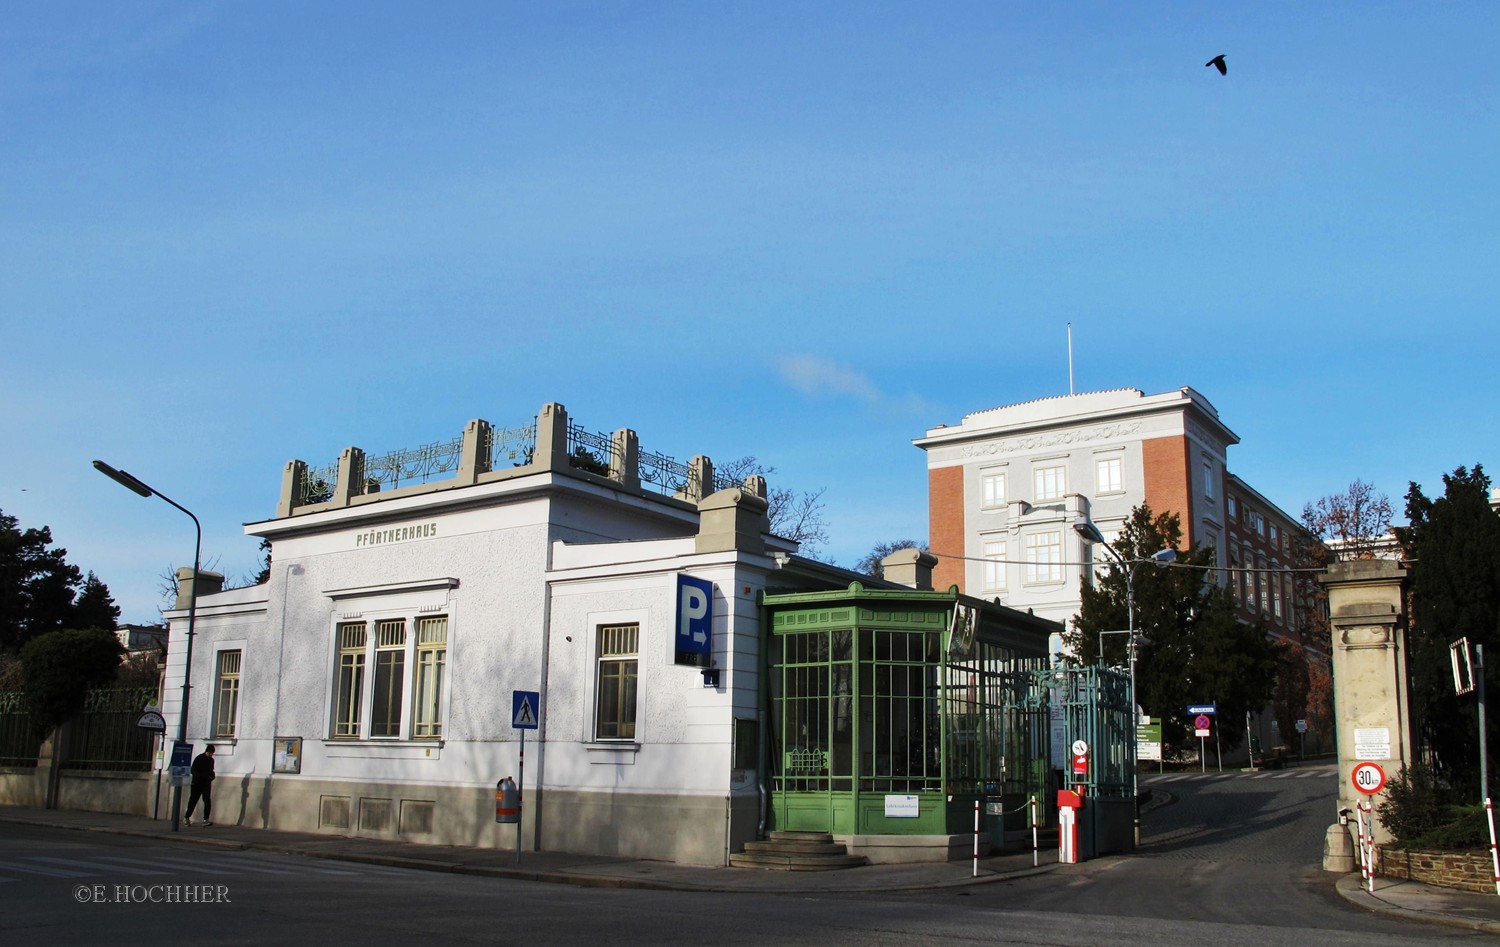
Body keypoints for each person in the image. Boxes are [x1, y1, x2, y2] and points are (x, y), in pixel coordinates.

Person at [184, 744, 216, 826]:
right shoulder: (199, 758)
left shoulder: (211, 760)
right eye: (209, 753)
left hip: (206, 783)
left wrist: (212, 776)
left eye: (212, 753)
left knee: (207, 801)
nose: (210, 755)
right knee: (193, 801)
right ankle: (187, 817)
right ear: (206, 751)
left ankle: (206, 819)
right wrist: (200, 776)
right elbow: (193, 770)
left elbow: (211, 770)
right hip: (197, 783)